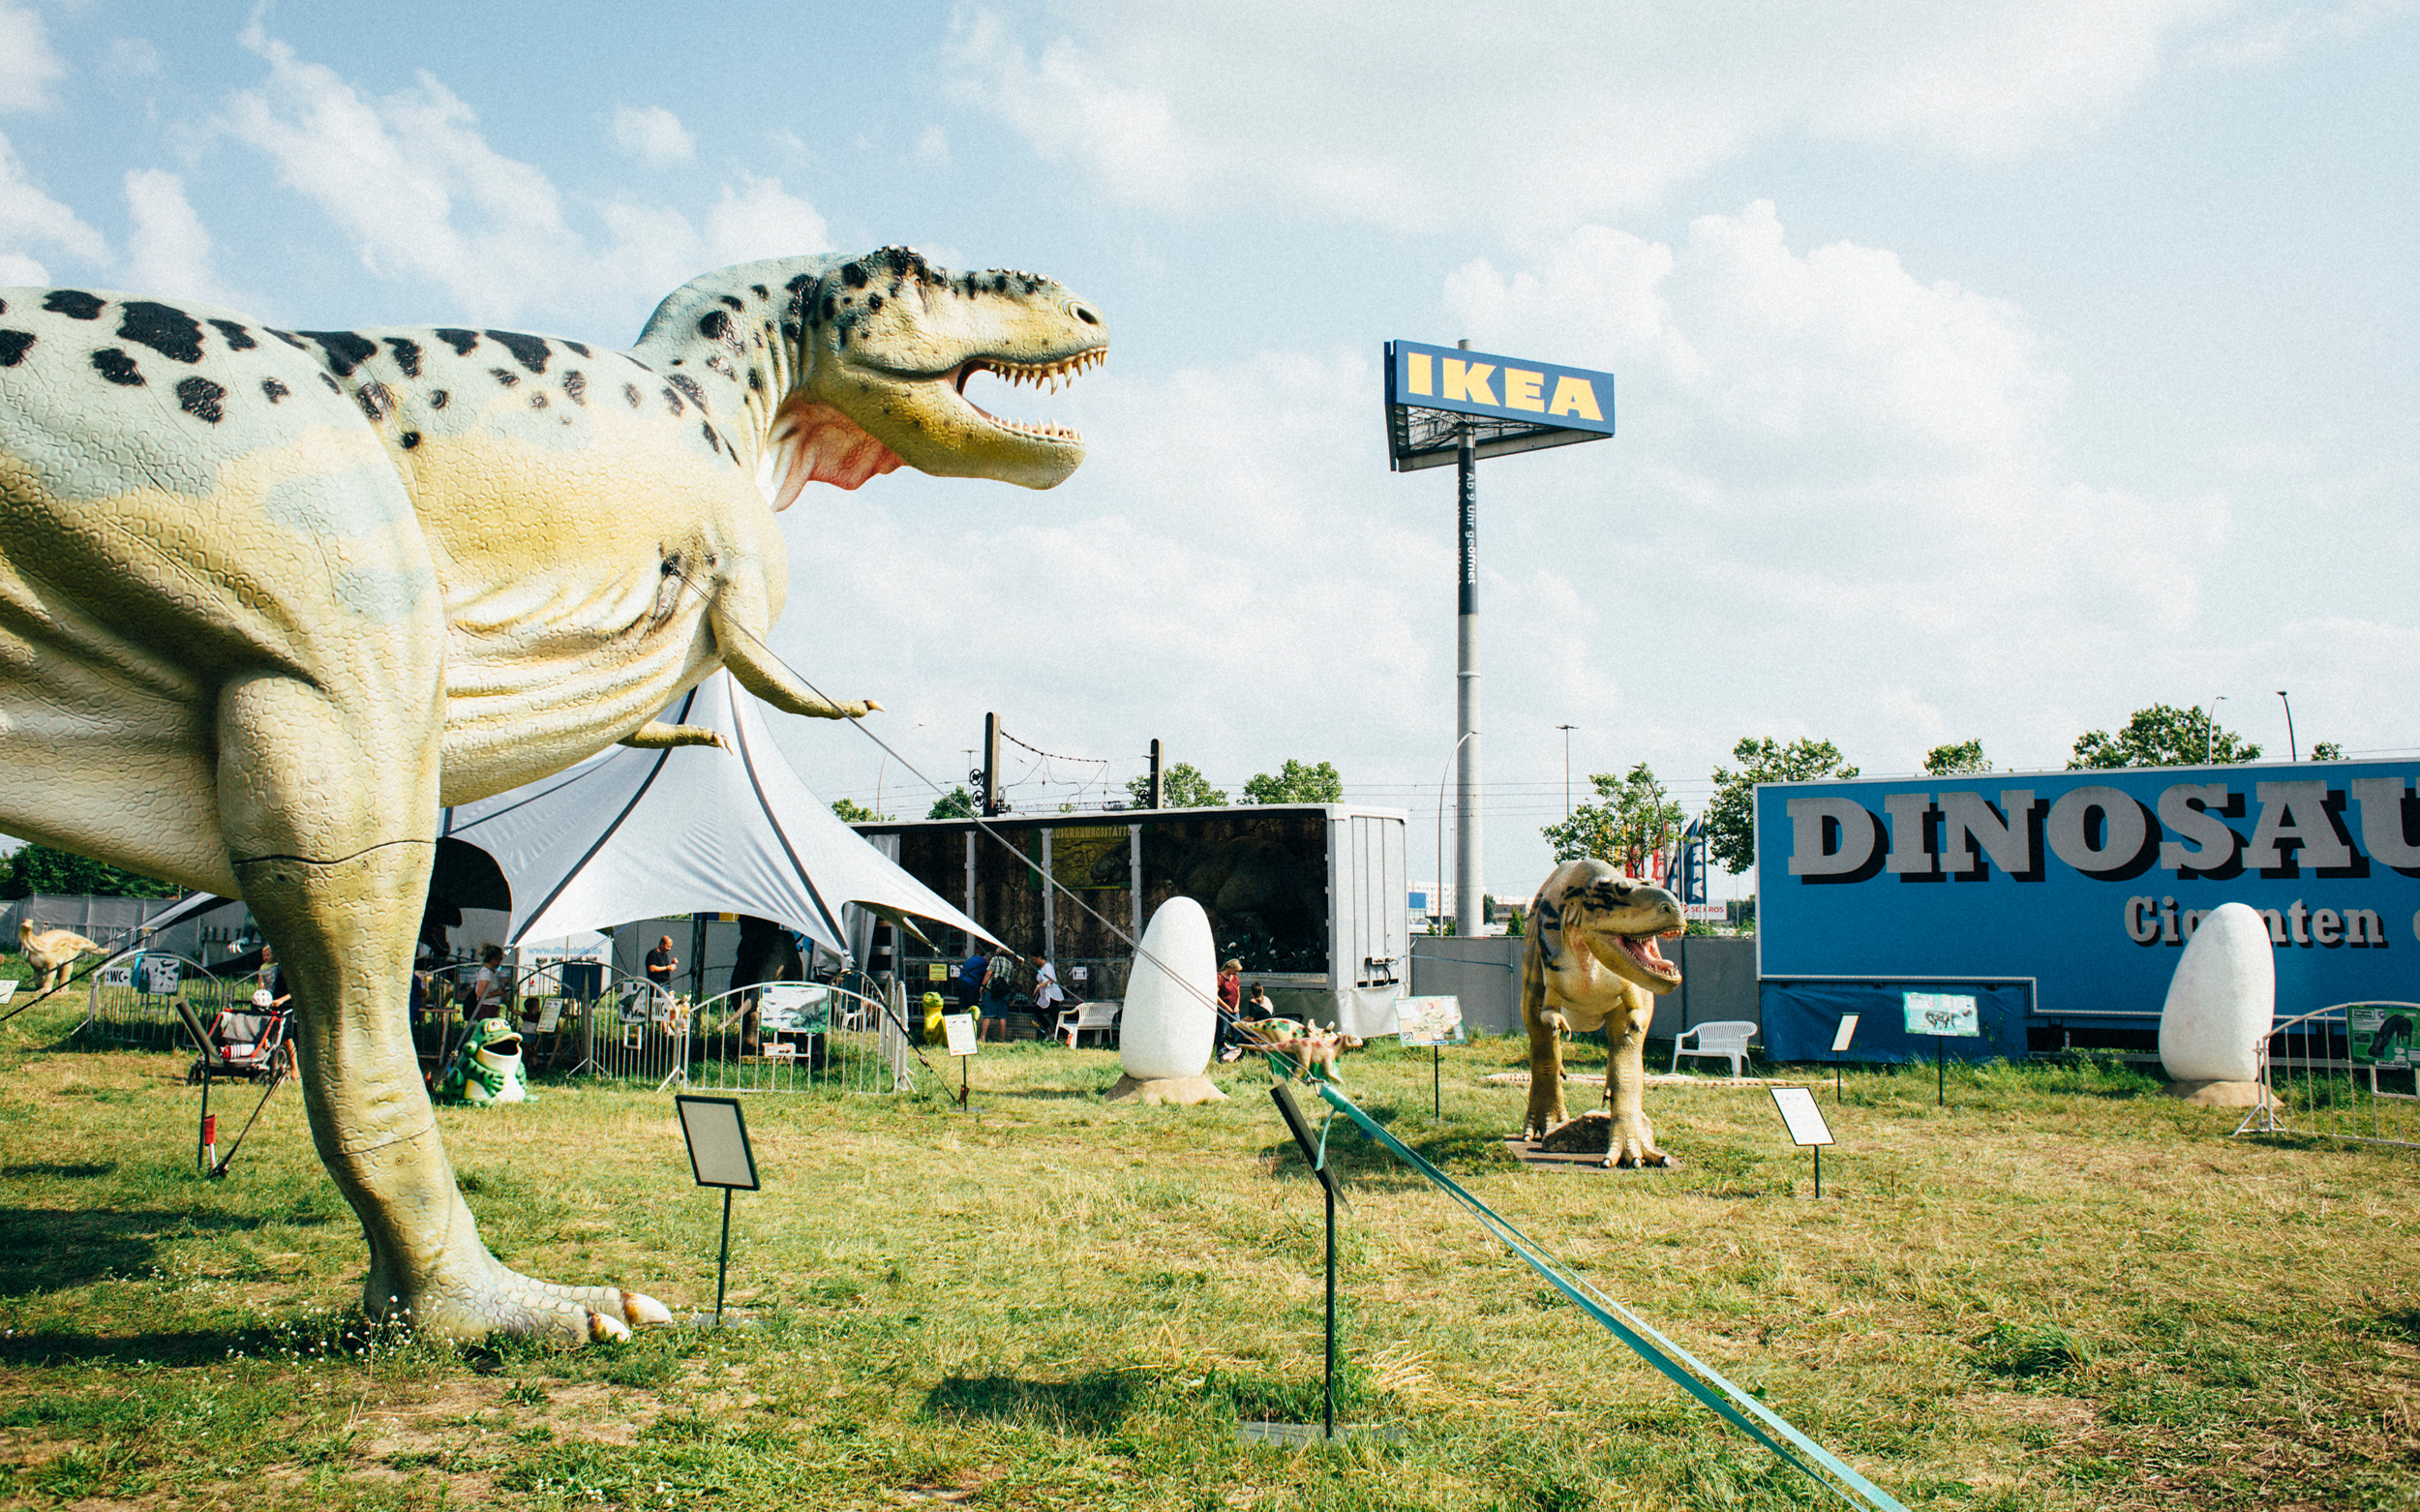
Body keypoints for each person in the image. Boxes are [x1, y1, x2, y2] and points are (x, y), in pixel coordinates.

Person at [979, 951, 1016, 1042]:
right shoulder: (1010, 963)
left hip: (992, 989)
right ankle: (1002, 1038)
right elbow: (1011, 978)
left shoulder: (995, 959)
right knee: (1002, 1016)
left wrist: (983, 985)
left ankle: (982, 1037)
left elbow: (989, 973)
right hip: (1004, 991)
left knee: (987, 1014)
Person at [1028, 953, 1063, 1042]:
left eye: (1034, 959)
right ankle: (1049, 1033)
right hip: (1044, 996)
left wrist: (1039, 986)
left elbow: (1051, 981)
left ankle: (1060, 1037)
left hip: (1052, 994)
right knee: (1037, 1012)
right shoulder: (1041, 968)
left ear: (1039, 957)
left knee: (1054, 1015)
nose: (1034, 962)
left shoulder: (1048, 967)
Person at [469, 945, 507, 1020]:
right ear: (493, 960)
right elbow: (480, 994)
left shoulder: (491, 972)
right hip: (486, 1008)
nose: (500, 962)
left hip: (492, 1007)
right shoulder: (486, 973)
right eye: (500, 959)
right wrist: (497, 993)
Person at [955, 947, 988, 1013]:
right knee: (972, 1005)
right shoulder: (985, 965)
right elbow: (986, 976)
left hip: (961, 981)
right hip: (972, 984)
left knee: (963, 1004)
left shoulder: (973, 958)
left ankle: (963, 1019)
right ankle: (971, 1020)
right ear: (989, 960)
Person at [645, 935, 679, 1001]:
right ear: (662, 944)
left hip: (666, 984)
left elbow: (664, 967)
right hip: (657, 985)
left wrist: (672, 964)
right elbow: (652, 968)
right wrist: (667, 967)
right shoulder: (653, 954)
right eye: (667, 946)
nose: (669, 949)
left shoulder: (665, 955)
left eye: (670, 947)